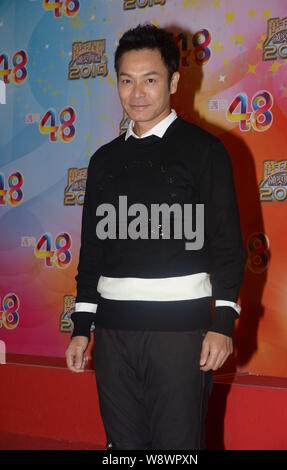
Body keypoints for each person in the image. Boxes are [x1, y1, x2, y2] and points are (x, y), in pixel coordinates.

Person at [65, 23, 248, 450]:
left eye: (150, 80)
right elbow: (92, 254)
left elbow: (227, 246)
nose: (137, 93)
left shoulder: (204, 151)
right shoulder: (104, 161)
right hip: (113, 336)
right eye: (126, 81)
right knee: (124, 450)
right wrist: (81, 327)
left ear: (174, 82)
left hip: (181, 337)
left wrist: (223, 323)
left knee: (176, 451)